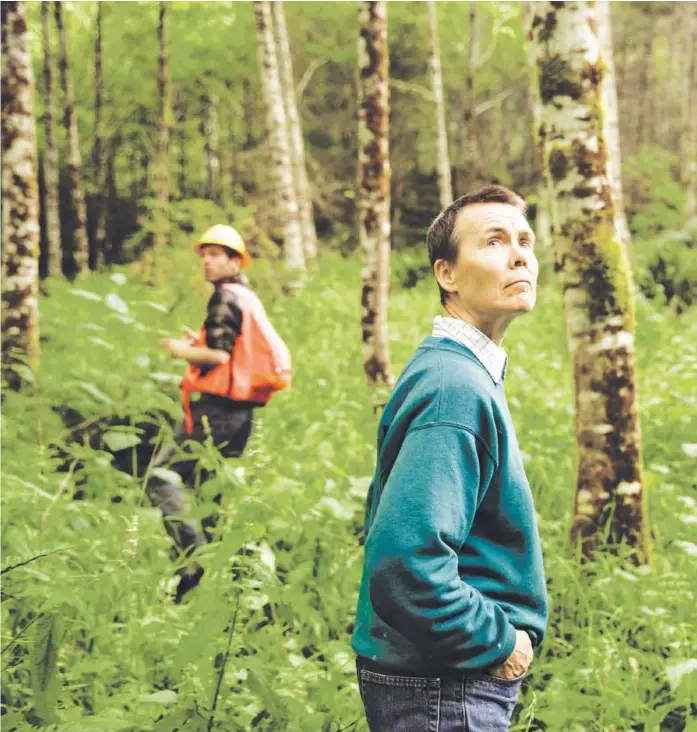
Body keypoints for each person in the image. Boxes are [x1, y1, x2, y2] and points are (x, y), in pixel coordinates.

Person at [351, 185, 548, 731]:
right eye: (493, 240)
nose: (519, 255)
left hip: (440, 679)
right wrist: (498, 641)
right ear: (447, 274)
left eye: (525, 241)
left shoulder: (458, 372)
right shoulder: (453, 387)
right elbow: (405, 561)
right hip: (445, 683)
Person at [147, 224, 288, 602]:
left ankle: (194, 563)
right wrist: (201, 343)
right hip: (240, 413)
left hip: (218, 411)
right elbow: (232, 350)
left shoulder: (226, 298)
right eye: (204, 254)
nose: (207, 262)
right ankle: (218, 587)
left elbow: (220, 356)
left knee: (159, 477)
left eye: (215, 254)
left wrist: (181, 350)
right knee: (210, 492)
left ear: (234, 261)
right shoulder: (246, 297)